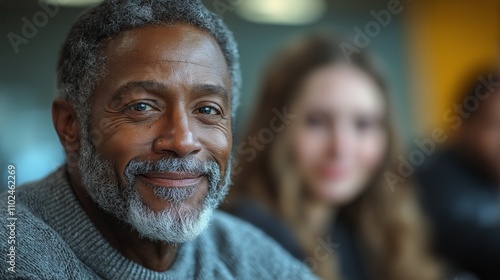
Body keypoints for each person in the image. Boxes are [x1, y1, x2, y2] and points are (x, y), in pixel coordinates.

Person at [0, 1, 317, 279]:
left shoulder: (247, 257)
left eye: (207, 109)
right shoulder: (14, 250)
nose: (182, 141)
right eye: (141, 107)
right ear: (70, 127)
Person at [225, 33, 445, 280]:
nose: (341, 148)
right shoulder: (246, 235)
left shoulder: (359, 230)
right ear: (274, 128)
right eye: (317, 121)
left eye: (363, 124)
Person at [415, 67, 500, 280]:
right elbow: (475, 244)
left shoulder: (489, 173)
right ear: (463, 126)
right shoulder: (435, 179)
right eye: (495, 125)